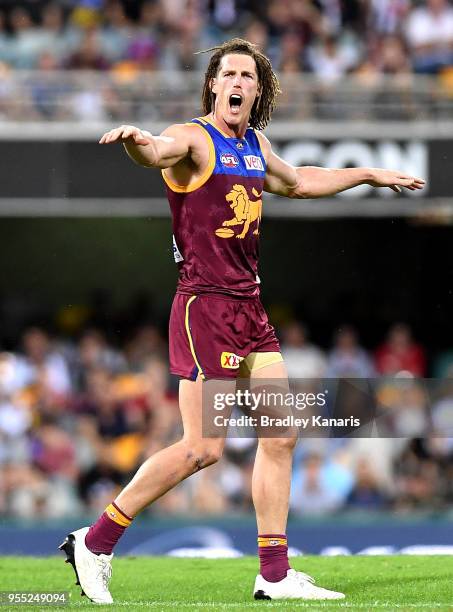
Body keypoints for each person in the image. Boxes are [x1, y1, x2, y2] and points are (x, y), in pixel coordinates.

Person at [59, 38, 425, 603]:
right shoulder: (194, 139)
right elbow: (158, 151)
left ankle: (274, 575)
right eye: (226, 72)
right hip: (204, 306)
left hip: (250, 307)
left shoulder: (255, 145)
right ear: (213, 84)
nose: (235, 82)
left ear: (258, 89)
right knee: (203, 448)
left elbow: (299, 181)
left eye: (246, 76)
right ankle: (98, 540)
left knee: (281, 433)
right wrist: (138, 143)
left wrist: (369, 174)